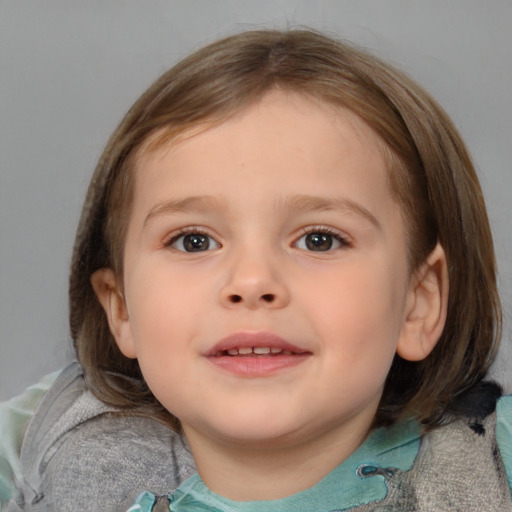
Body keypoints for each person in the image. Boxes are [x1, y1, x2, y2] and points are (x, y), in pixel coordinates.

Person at [2, 29, 511, 511]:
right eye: (194, 240)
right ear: (121, 309)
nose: (252, 282)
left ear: (418, 303)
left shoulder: (493, 463)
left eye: (319, 239)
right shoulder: (40, 445)